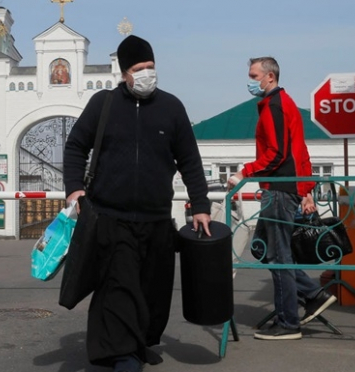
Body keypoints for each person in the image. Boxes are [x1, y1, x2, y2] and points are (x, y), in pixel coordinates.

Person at [63, 35, 211, 371]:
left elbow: (190, 160)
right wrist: (74, 189)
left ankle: (137, 344)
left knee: (151, 292)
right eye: (138, 68)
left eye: (150, 67)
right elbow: (75, 147)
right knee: (119, 288)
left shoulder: (172, 107)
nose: (146, 73)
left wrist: (200, 204)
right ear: (124, 73)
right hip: (111, 219)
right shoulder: (103, 104)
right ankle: (124, 356)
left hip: (157, 220)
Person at [227, 56, 336, 340]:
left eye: (253, 75)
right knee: (267, 251)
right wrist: (305, 188)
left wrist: (244, 173)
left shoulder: (274, 106)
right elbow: (299, 152)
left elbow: (277, 153)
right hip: (286, 188)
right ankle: (312, 294)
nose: (250, 81)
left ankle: (288, 322)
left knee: (278, 257)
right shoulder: (282, 104)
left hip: (279, 189)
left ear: (270, 77)